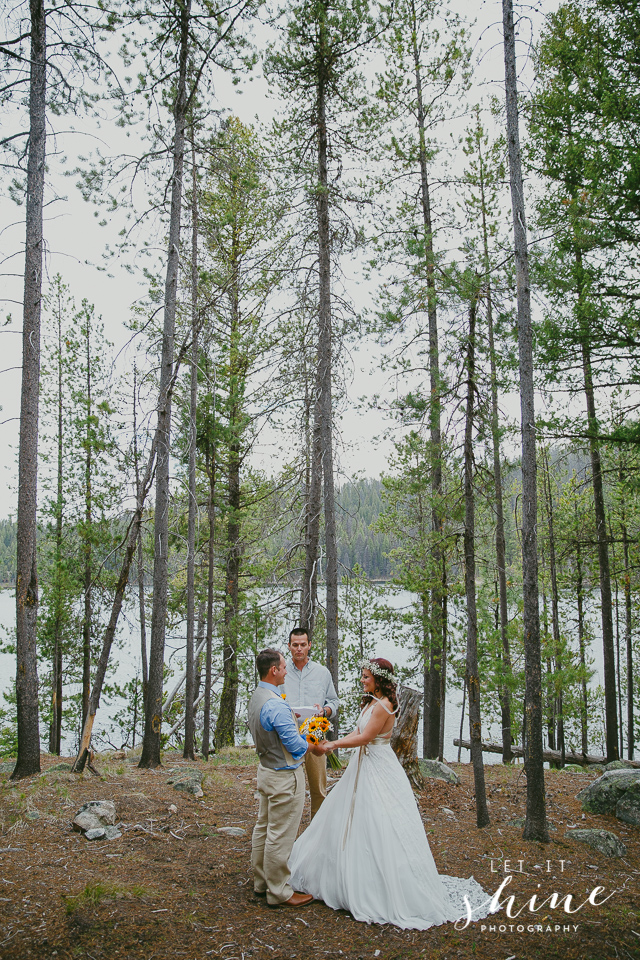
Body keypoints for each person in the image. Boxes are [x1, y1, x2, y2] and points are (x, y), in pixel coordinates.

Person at [288, 657, 492, 930]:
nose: (362, 681)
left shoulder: (384, 706)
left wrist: (333, 745)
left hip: (378, 769)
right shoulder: (372, 702)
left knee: (380, 822)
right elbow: (357, 730)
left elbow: (365, 738)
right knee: (345, 817)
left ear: (379, 679)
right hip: (362, 767)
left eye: (366, 677)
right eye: (362, 676)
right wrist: (329, 739)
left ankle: (379, 885)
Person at [247, 647, 330, 907]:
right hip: (284, 777)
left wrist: (290, 721)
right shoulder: (277, 705)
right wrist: (315, 745)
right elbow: (295, 747)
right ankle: (279, 891)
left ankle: (261, 882)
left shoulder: (257, 697)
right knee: (280, 835)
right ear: (274, 670)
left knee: (263, 827)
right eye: (283, 667)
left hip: (266, 771)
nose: (286, 671)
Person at [284, 627, 339, 819]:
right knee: (289, 788)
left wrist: (325, 710)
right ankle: (289, 832)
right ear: (289, 646)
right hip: (288, 735)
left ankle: (318, 833)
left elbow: (334, 701)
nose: (299, 648)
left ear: (309, 646)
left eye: (303, 645)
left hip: (315, 734)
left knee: (318, 789)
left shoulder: (322, 673)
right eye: (295, 645)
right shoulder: (281, 672)